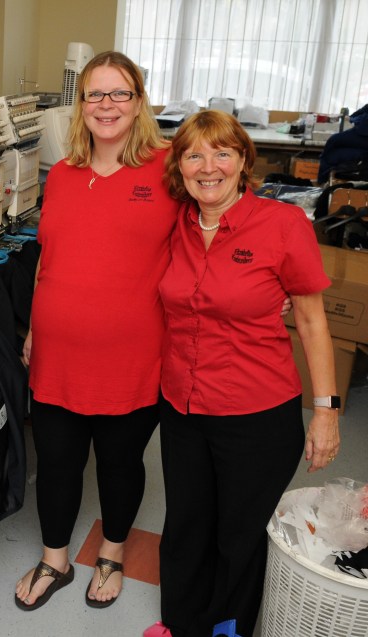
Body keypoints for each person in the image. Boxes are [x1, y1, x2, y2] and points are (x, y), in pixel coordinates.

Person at [156, 110, 341, 637]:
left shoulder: (283, 226)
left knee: (238, 535)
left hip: (256, 414)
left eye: (222, 153)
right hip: (184, 407)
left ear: (243, 161)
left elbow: (310, 319)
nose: (207, 167)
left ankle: (227, 631)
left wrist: (325, 413)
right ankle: (180, 625)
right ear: (180, 166)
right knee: (187, 526)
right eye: (194, 154)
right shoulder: (177, 224)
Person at [15, 51, 178, 611]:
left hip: (133, 358)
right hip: (57, 354)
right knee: (57, 461)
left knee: (119, 464)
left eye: (119, 94)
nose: (106, 105)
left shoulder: (168, 170)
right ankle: (54, 558)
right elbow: (47, 260)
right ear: (79, 104)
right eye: (95, 94)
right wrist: (35, 329)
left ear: (138, 103)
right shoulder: (61, 175)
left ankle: (110, 553)